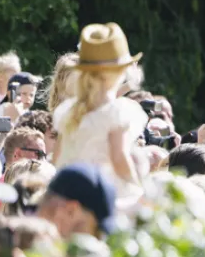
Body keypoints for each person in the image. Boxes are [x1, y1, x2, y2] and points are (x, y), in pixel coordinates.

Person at [52, 23, 146, 188]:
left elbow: (57, 158)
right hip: (102, 191)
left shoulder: (69, 110)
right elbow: (119, 159)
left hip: (70, 189)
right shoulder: (117, 111)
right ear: (119, 72)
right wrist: (138, 189)